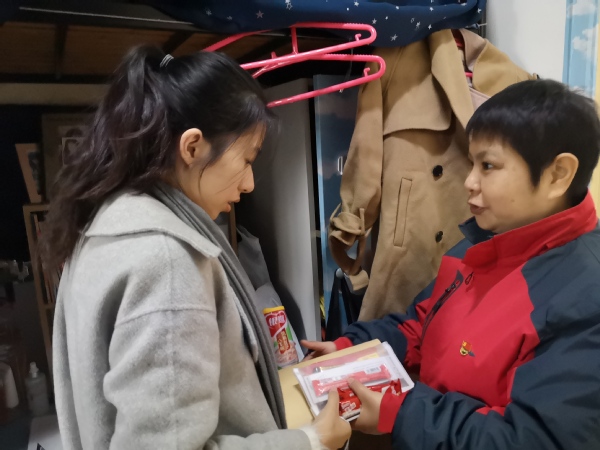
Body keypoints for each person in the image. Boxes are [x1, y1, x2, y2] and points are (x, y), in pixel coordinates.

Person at [40, 46, 351, 450]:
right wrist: (311, 440)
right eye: (246, 159)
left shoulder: (104, 222)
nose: (249, 184)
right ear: (192, 147)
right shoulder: (165, 261)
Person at [302, 79, 600, 449]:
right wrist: (353, 349)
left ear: (558, 175)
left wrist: (400, 413)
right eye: (472, 163)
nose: (469, 182)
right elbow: (420, 325)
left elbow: (531, 440)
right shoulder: (483, 240)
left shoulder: (586, 299)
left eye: (488, 165)